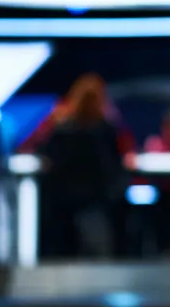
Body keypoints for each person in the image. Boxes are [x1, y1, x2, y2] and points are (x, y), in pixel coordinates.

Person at [40, 74, 132, 259]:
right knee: (98, 251)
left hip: (64, 201)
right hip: (96, 200)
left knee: (65, 252)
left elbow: (46, 158)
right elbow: (119, 160)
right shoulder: (106, 129)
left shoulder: (62, 129)